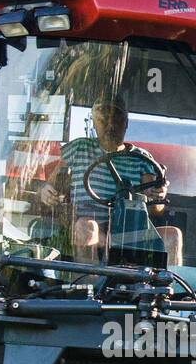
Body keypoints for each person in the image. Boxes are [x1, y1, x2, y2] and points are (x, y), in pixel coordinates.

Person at [41, 95, 182, 263]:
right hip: (89, 226)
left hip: (131, 233)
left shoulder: (141, 158)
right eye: (103, 119)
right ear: (94, 122)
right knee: (87, 227)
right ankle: (89, 286)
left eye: (117, 118)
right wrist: (46, 192)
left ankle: (170, 287)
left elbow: (154, 209)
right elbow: (52, 186)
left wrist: (157, 195)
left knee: (173, 236)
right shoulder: (79, 147)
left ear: (126, 123)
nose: (110, 125)